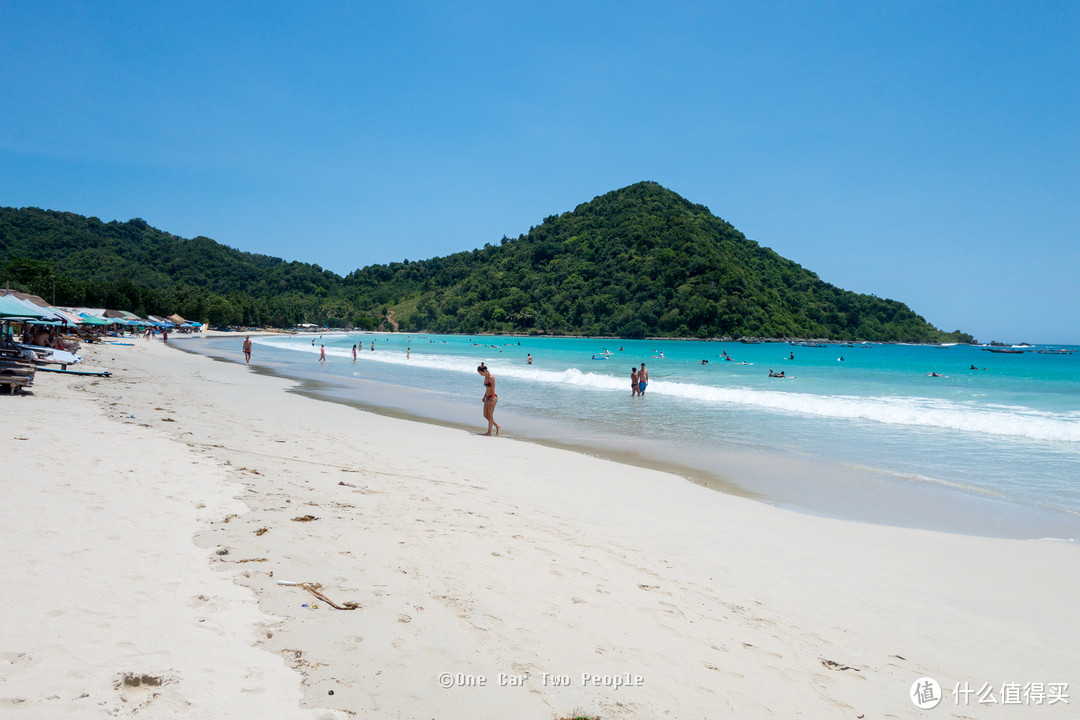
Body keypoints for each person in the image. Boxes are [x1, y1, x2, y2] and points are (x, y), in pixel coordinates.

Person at [477, 363, 500, 435]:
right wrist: (484, 396)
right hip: (487, 397)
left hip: (493, 397)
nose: (481, 375)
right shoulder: (486, 377)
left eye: (481, 373)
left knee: (490, 415)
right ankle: (497, 426)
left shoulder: (491, 377)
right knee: (485, 415)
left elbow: (493, 388)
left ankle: (489, 432)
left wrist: (492, 399)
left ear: (484, 371)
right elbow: (487, 388)